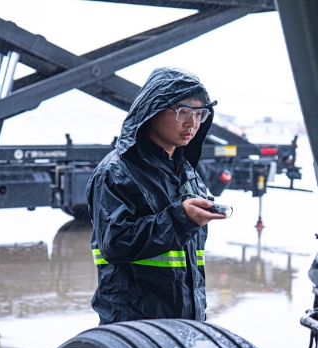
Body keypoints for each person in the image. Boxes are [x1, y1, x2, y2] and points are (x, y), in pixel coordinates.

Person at [86, 67, 226, 325]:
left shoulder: (187, 173)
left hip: (187, 324)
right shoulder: (116, 171)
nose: (192, 123)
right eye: (182, 112)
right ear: (152, 110)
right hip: (134, 327)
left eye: (199, 113)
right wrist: (181, 218)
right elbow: (115, 243)